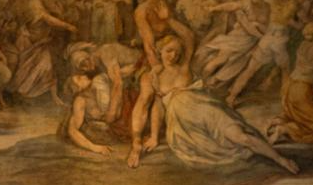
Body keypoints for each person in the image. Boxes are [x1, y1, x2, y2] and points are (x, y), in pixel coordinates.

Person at [128, 31, 299, 174]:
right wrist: (145, 140)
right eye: (169, 51)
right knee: (215, 149)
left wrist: (169, 19)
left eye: (177, 52)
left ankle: (280, 159)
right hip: (185, 126)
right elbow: (150, 108)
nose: (173, 56)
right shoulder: (152, 77)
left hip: (207, 110)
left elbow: (188, 36)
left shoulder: (185, 69)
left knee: (241, 137)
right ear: (159, 51)